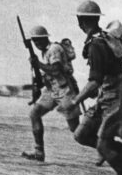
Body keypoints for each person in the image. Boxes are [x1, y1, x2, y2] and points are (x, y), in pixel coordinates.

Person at [66, 0, 122, 175]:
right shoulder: (99, 40)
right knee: (81, 134)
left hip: (115, 95)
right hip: (107, 93)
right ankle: (121, 149)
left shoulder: (97, 44)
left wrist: (74, 101)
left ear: (81, 22)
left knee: (102, 145)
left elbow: (94, 81)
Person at [21, 25, 81, 162]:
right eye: (34, 41)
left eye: (39, 40)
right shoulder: (45, 51)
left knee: (77, 131)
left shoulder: (54, 49)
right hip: (52, 90)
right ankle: (38, 152)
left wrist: (38, 64)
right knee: (34, 114)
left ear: (45, 38)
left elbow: (55, 70)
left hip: (65, 90)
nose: (36, 44)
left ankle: (107, 148)